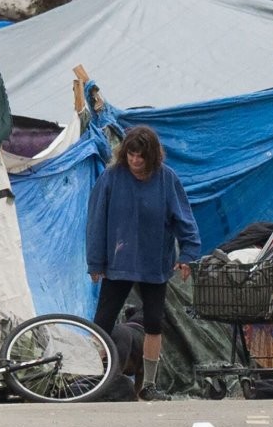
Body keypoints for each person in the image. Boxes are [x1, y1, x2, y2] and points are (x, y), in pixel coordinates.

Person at [86, 125, 201, 401]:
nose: (135, 161)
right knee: (101, 321)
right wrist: (95, 261)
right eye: (131, 155)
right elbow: (96, 220)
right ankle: (90, 377)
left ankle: (148, 385)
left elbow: (184, 219)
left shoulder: (166, 179)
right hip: (118, 260)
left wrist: (188, 254)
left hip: (154, 262)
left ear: (152, 157)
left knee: (153, 323)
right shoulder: (112, 178)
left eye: (141, 156)